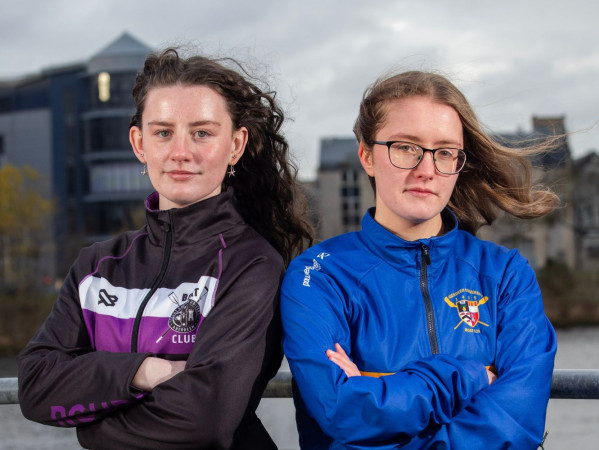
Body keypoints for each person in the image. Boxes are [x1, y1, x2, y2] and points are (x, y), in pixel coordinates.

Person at [17, 48, 312, 449]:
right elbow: (35, 385)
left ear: (236, 145)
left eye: (202, 133)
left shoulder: (251, 264)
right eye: (163, 133)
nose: (181, 152)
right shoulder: (97, 265)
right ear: (139, 143)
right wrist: (144, 371)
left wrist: (92, 429)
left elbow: (205, 418)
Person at [281, 70, 559, 449]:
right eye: (406, 147)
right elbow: (343, 412)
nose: (426, 170)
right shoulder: (319, 276)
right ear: (367, 156)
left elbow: (517, 422)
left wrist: (378, 391)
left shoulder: (506, 274)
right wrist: (471, 376)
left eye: (444, 152)